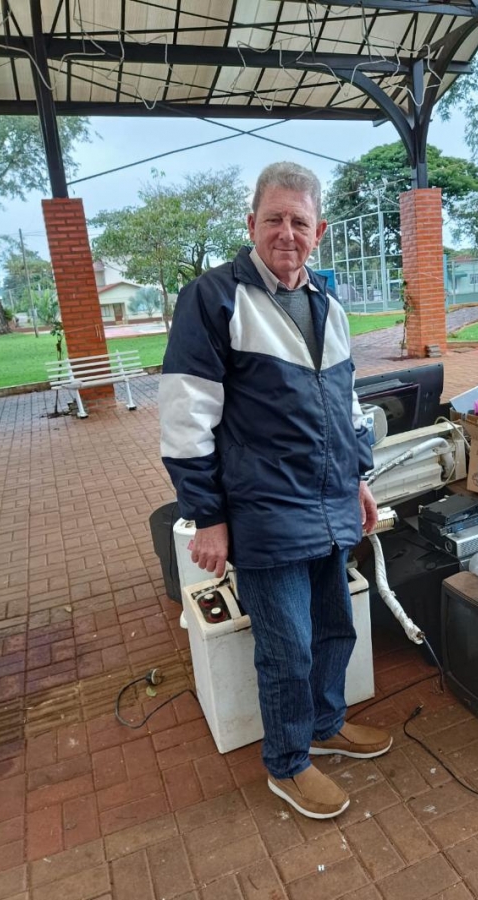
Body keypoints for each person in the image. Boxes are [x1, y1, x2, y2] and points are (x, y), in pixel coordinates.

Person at [158, 161, 392, 819]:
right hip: (263, 511)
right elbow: (184, 417)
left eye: (298, 221)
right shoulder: (214, 299)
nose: (286, 232)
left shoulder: (327, 303)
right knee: (285, 648)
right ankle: (287, 764)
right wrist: (206, 515)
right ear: (250, 223)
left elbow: (346, 405)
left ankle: (325, 725)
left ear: (318, 231)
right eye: (273, 219)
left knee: (332, 628)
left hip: (327, 502)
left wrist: (358, 481)